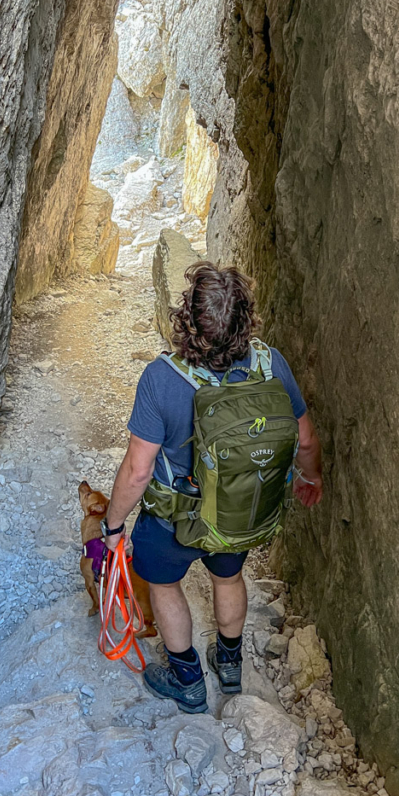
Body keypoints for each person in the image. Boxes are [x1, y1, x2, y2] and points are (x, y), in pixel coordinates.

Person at [102, 262, 322, 712]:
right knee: (228, 574)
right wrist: (311, 477)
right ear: (245, 318)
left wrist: (113, 524)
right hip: (238, 512)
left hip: (175, 520)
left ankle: (186, 680)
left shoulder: (161, 379)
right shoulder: (270, 364)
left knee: (163, 585)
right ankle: (230, 665)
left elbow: (138, 471)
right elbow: (306, 439)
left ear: (188, 318)